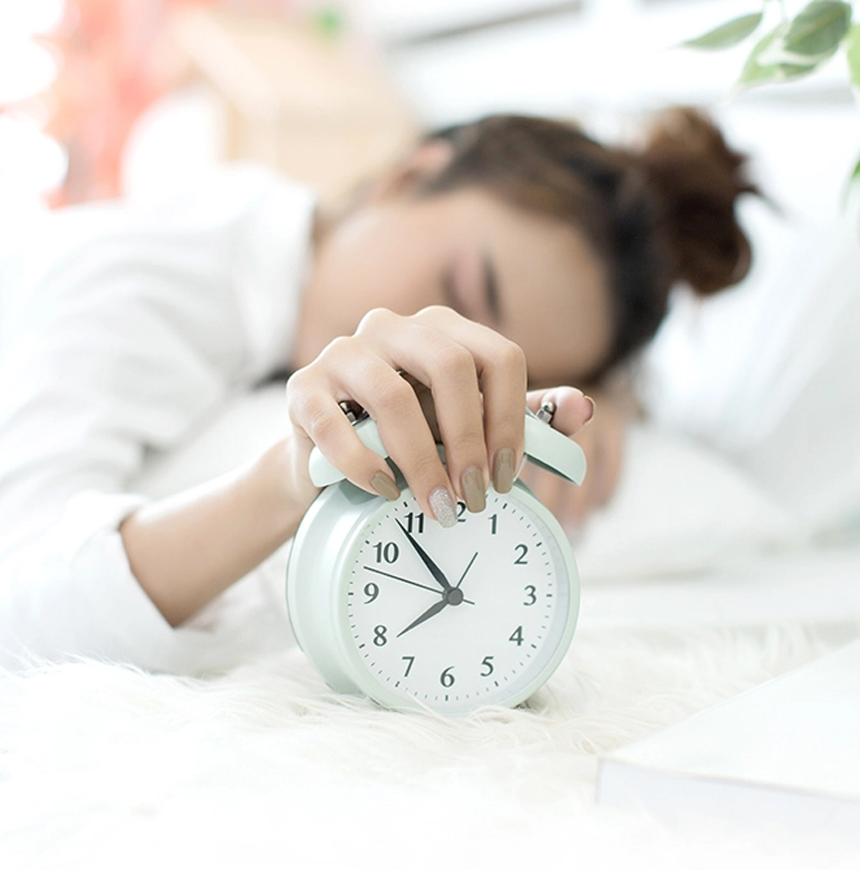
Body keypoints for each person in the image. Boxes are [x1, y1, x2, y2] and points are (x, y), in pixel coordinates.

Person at [0, 108, 756, 671]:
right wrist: (286, 480)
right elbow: (20, 614)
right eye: (459, 294)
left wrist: (603, 399)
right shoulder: (135, 283)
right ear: (409, 178)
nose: (438, 357)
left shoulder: (294, 286)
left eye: (481, 365)